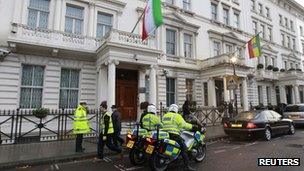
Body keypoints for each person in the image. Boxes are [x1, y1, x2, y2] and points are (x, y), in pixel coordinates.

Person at [162, 104, 197, 171]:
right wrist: (192, 126)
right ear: (176, 110)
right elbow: (184, 125)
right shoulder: (177, 116)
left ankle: (175, 159)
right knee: (184, 148)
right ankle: (186, 167)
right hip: (174, 135)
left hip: (165, 135)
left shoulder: (165, 115)